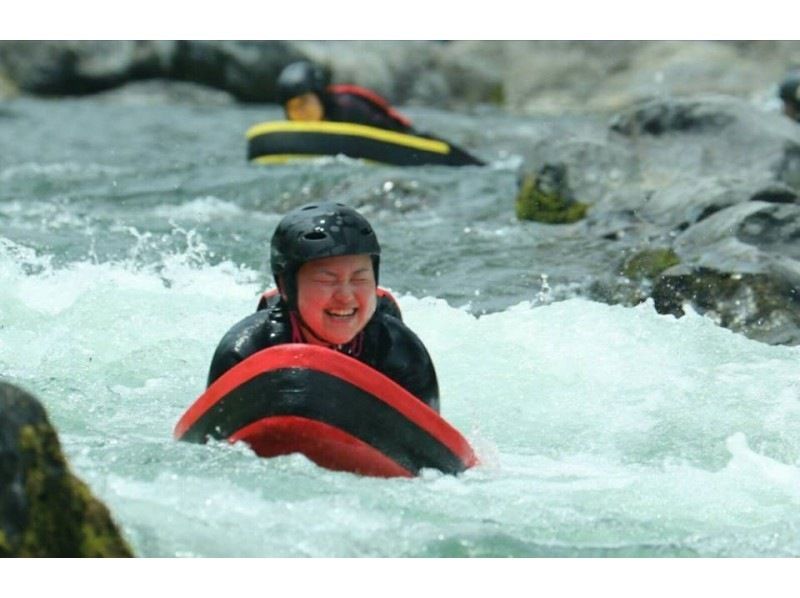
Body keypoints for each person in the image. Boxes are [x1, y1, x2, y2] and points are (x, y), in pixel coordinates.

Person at [207, 201, 440, 412]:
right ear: (286, 288)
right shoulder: (244, 352)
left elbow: (435, 449)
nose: (346, 297)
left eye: (359, 279)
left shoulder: (400, 352)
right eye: (326, 280)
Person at [275, 61, 415, 134]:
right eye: (291, 108)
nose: (300, 111)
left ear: (319, 97)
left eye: (304, 102)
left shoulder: (348, 108)